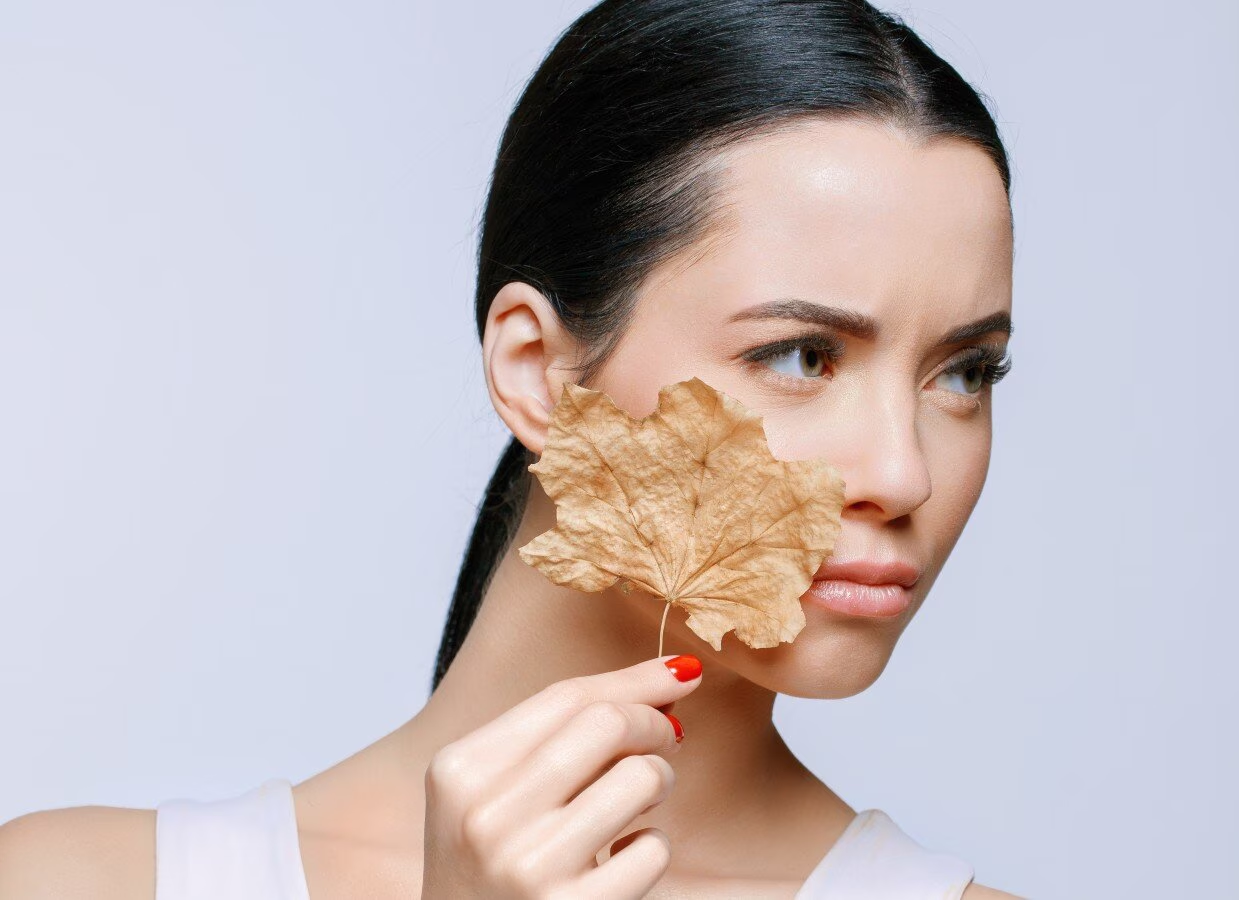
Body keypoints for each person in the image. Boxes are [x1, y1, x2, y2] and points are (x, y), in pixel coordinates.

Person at [0, 0, 1020, 896]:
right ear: (537, 372)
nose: (904, 475)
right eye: (801, 356)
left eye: (965, 374)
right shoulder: (72, 884)